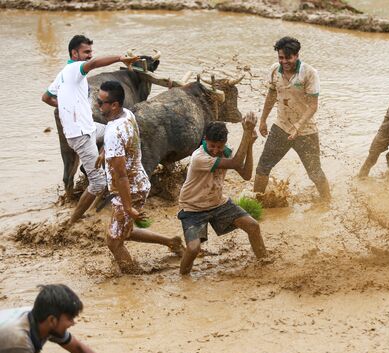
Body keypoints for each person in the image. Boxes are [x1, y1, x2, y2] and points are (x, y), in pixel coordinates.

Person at [41, 35, 139, 224]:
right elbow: (94, 64)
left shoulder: (63, 73)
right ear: (74, 53)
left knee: (115, 131)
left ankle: (108, 160)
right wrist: (120, 58)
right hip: (81, 135)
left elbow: (46, 97)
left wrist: (67, 110)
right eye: (86, 52)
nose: (89, 56)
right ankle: (73, 220)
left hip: (91, 128)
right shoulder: (74, 69)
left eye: (90, 52)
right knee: (98, 182)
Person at [98, 81, 182, 273]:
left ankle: (133, 279)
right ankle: (171, 242)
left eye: (101, 102)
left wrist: (128, 207)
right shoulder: (127, 114)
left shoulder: (113, 132)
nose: (97, 105)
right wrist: (105, 151)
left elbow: (120, 176)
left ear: (114, 105)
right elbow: (123, 143)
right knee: (124, 232)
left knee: (113, 241)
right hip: (138, 181)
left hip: (128, 189)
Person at [177, 114, 266, 275]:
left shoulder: (225, 152)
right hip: (193, 208)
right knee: (193, 248)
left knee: (253, 226)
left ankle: (265, 263)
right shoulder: (199, 158)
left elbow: (246, 174)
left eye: (219, 146)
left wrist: (250, 145)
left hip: (218, 204)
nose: (215, 150)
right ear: (205, 139)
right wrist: (246, 133)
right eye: (212, 146)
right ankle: (183, 278)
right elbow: (236, 163)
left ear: (224, 143)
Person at [254, 36, 331, 201]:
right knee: (262, 168)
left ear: (296, 55)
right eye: (280, 58)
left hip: (306, 131)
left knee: (315, 173)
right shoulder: (275, 70)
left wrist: (298, 125)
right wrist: (263, 119)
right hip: (281, 127)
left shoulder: (309, 73)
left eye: (287, 58)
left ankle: (327, 202)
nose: (284, 62)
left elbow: (313, 106)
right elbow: (271, 95)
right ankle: (256, 204)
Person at [0, 284, 109, 353]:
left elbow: (78, 349)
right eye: (70, 319)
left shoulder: (41, 317)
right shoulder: (18, 342)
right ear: (52, 320)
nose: (73, 323)